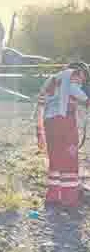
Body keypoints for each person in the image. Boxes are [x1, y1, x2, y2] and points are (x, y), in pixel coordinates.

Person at [36, 61, 90, 208]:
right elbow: (74, 90)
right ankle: (69, 197)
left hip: (49, 122)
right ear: (79, 72)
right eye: (84, 77)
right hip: (64, 122)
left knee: (56, 157)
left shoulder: (54, 79)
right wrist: (86, 100)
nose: (82, 81)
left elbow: (41, 100)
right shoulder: (71, 76)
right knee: (69, 157)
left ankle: (54, 195)